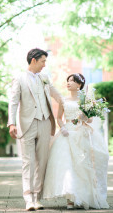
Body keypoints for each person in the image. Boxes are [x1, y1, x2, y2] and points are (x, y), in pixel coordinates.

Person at [43, 73, 109, 210]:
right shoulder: (63, 100)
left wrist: (84, 116)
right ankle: (70, 199)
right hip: (67, 134)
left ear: (79, 84)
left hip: (81, 133)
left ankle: (82, 195)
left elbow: (90, 120)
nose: (68, 83)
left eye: (72, 81)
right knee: (67, 165)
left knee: (82, 166)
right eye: (67, 80)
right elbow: (59, 118)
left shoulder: (86, 101)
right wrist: (63, 129)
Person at [8, 48, 63, 211]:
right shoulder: (19, 78)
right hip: (27, 124)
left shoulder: (45, 78)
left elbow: (57, 95)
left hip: (45, 122)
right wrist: (12, 123)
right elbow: (13, 102)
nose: (44, 65)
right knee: (28, 163)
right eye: (43, 61)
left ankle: (37, 198)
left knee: (42, 162)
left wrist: (77, 103)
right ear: (33, 60)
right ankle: (28, 199)